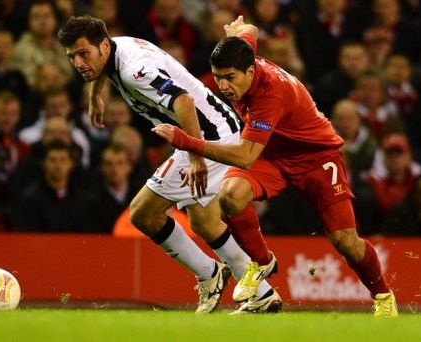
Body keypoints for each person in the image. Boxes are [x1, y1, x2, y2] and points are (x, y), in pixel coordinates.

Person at [153, 16, 397, 316]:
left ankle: (383, 296)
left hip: (315, 157)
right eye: (218, 77)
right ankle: (261, 261)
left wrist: (186, 141)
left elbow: (244, 157)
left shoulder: (271, 93)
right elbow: (250, 30)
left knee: (345, 241)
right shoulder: (244, 54)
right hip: (271, 153)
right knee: (229, 195)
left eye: (230, 77)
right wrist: (235, 32)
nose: (223, 86)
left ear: (251, 70)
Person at [57, 15, 281, 314]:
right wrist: (96, 93)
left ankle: (209, 275)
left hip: (208, 137)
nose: (79, 63)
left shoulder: (136, 71)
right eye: (72, 57)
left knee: (143, 214)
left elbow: (184, 101)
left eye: (83, 54)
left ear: (102, 46)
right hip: (218, 127)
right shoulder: (116, 47)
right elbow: (100, 67)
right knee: (203, 221)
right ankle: (262, 294)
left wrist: (197, 158)